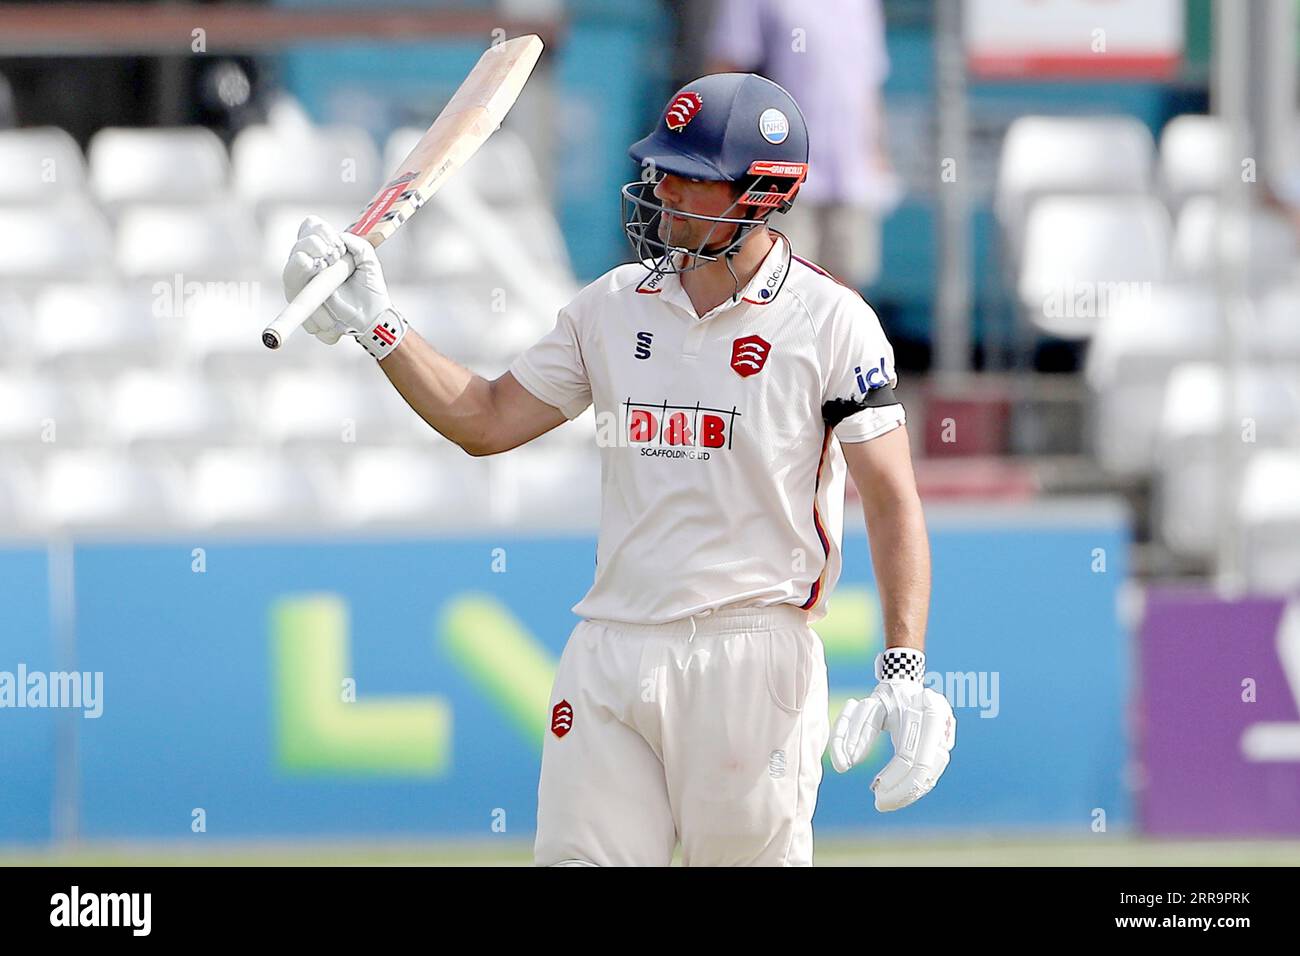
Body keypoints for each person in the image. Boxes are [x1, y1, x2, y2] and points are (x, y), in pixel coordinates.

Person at [281, 72, 954, 867]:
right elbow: (487, 420)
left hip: (751, 652)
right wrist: (377, 325)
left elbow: (891, 501)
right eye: (661, 168)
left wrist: (903, 668)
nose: (662, 189)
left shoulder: (833, 322)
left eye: (689, 176)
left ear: (760, 193)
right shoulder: (612, 304)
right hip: (610, 647)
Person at [707, 0, 898, 290]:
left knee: (845, 289)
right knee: (779, 282)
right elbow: (728, 67)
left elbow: (867, 81)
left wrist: (876, 152)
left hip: (852, 170)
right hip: (780, 170)